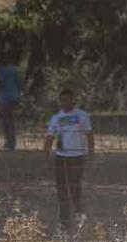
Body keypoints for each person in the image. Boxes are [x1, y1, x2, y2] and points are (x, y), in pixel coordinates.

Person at [43, 89, 93, 232]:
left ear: (73, 100)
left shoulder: (82, 116)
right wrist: (45, 158)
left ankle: (79, 215)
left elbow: (90, 136)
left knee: (75, 187)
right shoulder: (56, 118)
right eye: (62, 100)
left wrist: (91, 156)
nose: (65, 102)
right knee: (62, 190)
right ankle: (64, 222)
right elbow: (49, 138)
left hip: (77, 158)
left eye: (68, 99)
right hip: (61, 158)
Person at [0, 53, 21, 151]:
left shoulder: (2, 70)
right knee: (10, 120)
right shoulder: (14, 70)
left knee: (6, 121)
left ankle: (9, 142)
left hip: (6, 98)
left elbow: (1, 84)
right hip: (14, 97)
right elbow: (18, 84)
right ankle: (12, 142)